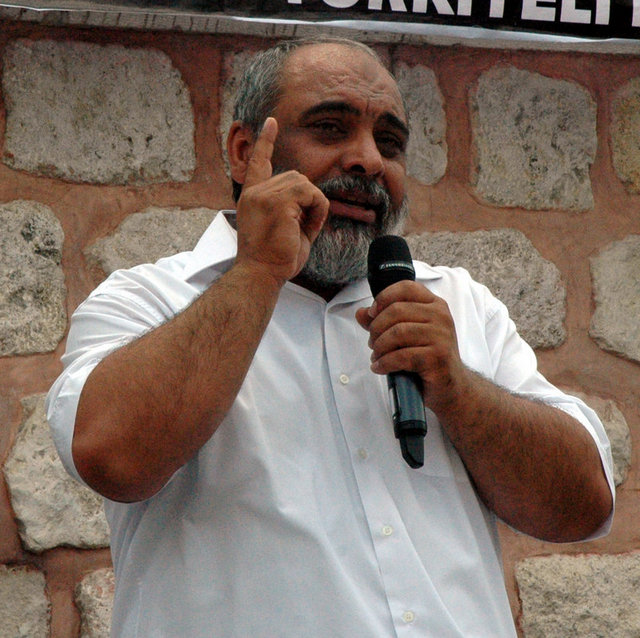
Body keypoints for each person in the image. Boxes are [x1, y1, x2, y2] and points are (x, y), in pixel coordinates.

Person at [47, 37, 614, 637]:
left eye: (389, 143)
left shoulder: (459, 305)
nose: (368, 160)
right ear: (245, 152)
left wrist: (459, 391)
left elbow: (583, 506)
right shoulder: (148, 301)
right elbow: (114, 459)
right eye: (329, 128)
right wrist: (259, 272)